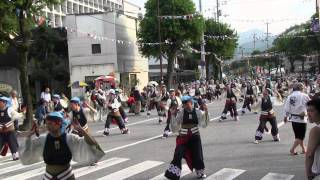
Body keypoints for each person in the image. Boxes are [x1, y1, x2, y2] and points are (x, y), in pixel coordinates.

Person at [19, 112, 105, 180]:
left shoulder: (70, 138)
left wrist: (82, 131)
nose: (47, 126)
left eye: (50, 123)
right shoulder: (43, 139)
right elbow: (27, 152)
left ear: (58, 124)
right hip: (49, 177)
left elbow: (91, 144)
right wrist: (28, 136)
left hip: (66, 176)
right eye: (47, 123)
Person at [164, 96, 209, 179]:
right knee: (178, 154)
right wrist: (173, 115)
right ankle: (173, 174)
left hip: (195, 136)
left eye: (187, 103)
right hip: (183, 137)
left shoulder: (198, 112)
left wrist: (206, 111)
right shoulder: (181, 113)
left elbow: (204, 124)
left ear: (191, 103)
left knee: (198, 155)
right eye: (184, 104)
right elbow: (175, 127)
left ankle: (200, 172)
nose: (185, 105)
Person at [284, 83, 311, 155]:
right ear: (301, 88)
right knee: (301, 136)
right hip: (302, 119)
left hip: (293, 119)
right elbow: (310, 105)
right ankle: (292, 149)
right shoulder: (305, 96)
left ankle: (304, 149)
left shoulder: (290, 96)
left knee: (298, 136)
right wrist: (307, 113)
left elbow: (286, 108)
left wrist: (285, 117)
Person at [0, 96, 23, 160]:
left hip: (10, 131)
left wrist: (11, 124)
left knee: (13, 144)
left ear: (4, 103)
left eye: (0, 102)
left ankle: (15, 155)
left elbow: (18, 116)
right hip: (1, 132)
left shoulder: (10, 109)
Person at [305, 99, 320, 180]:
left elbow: (310, 154)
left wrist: (308, 173)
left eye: (311, 111)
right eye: (307, 111)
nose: (308, 114)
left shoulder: (316, 130)